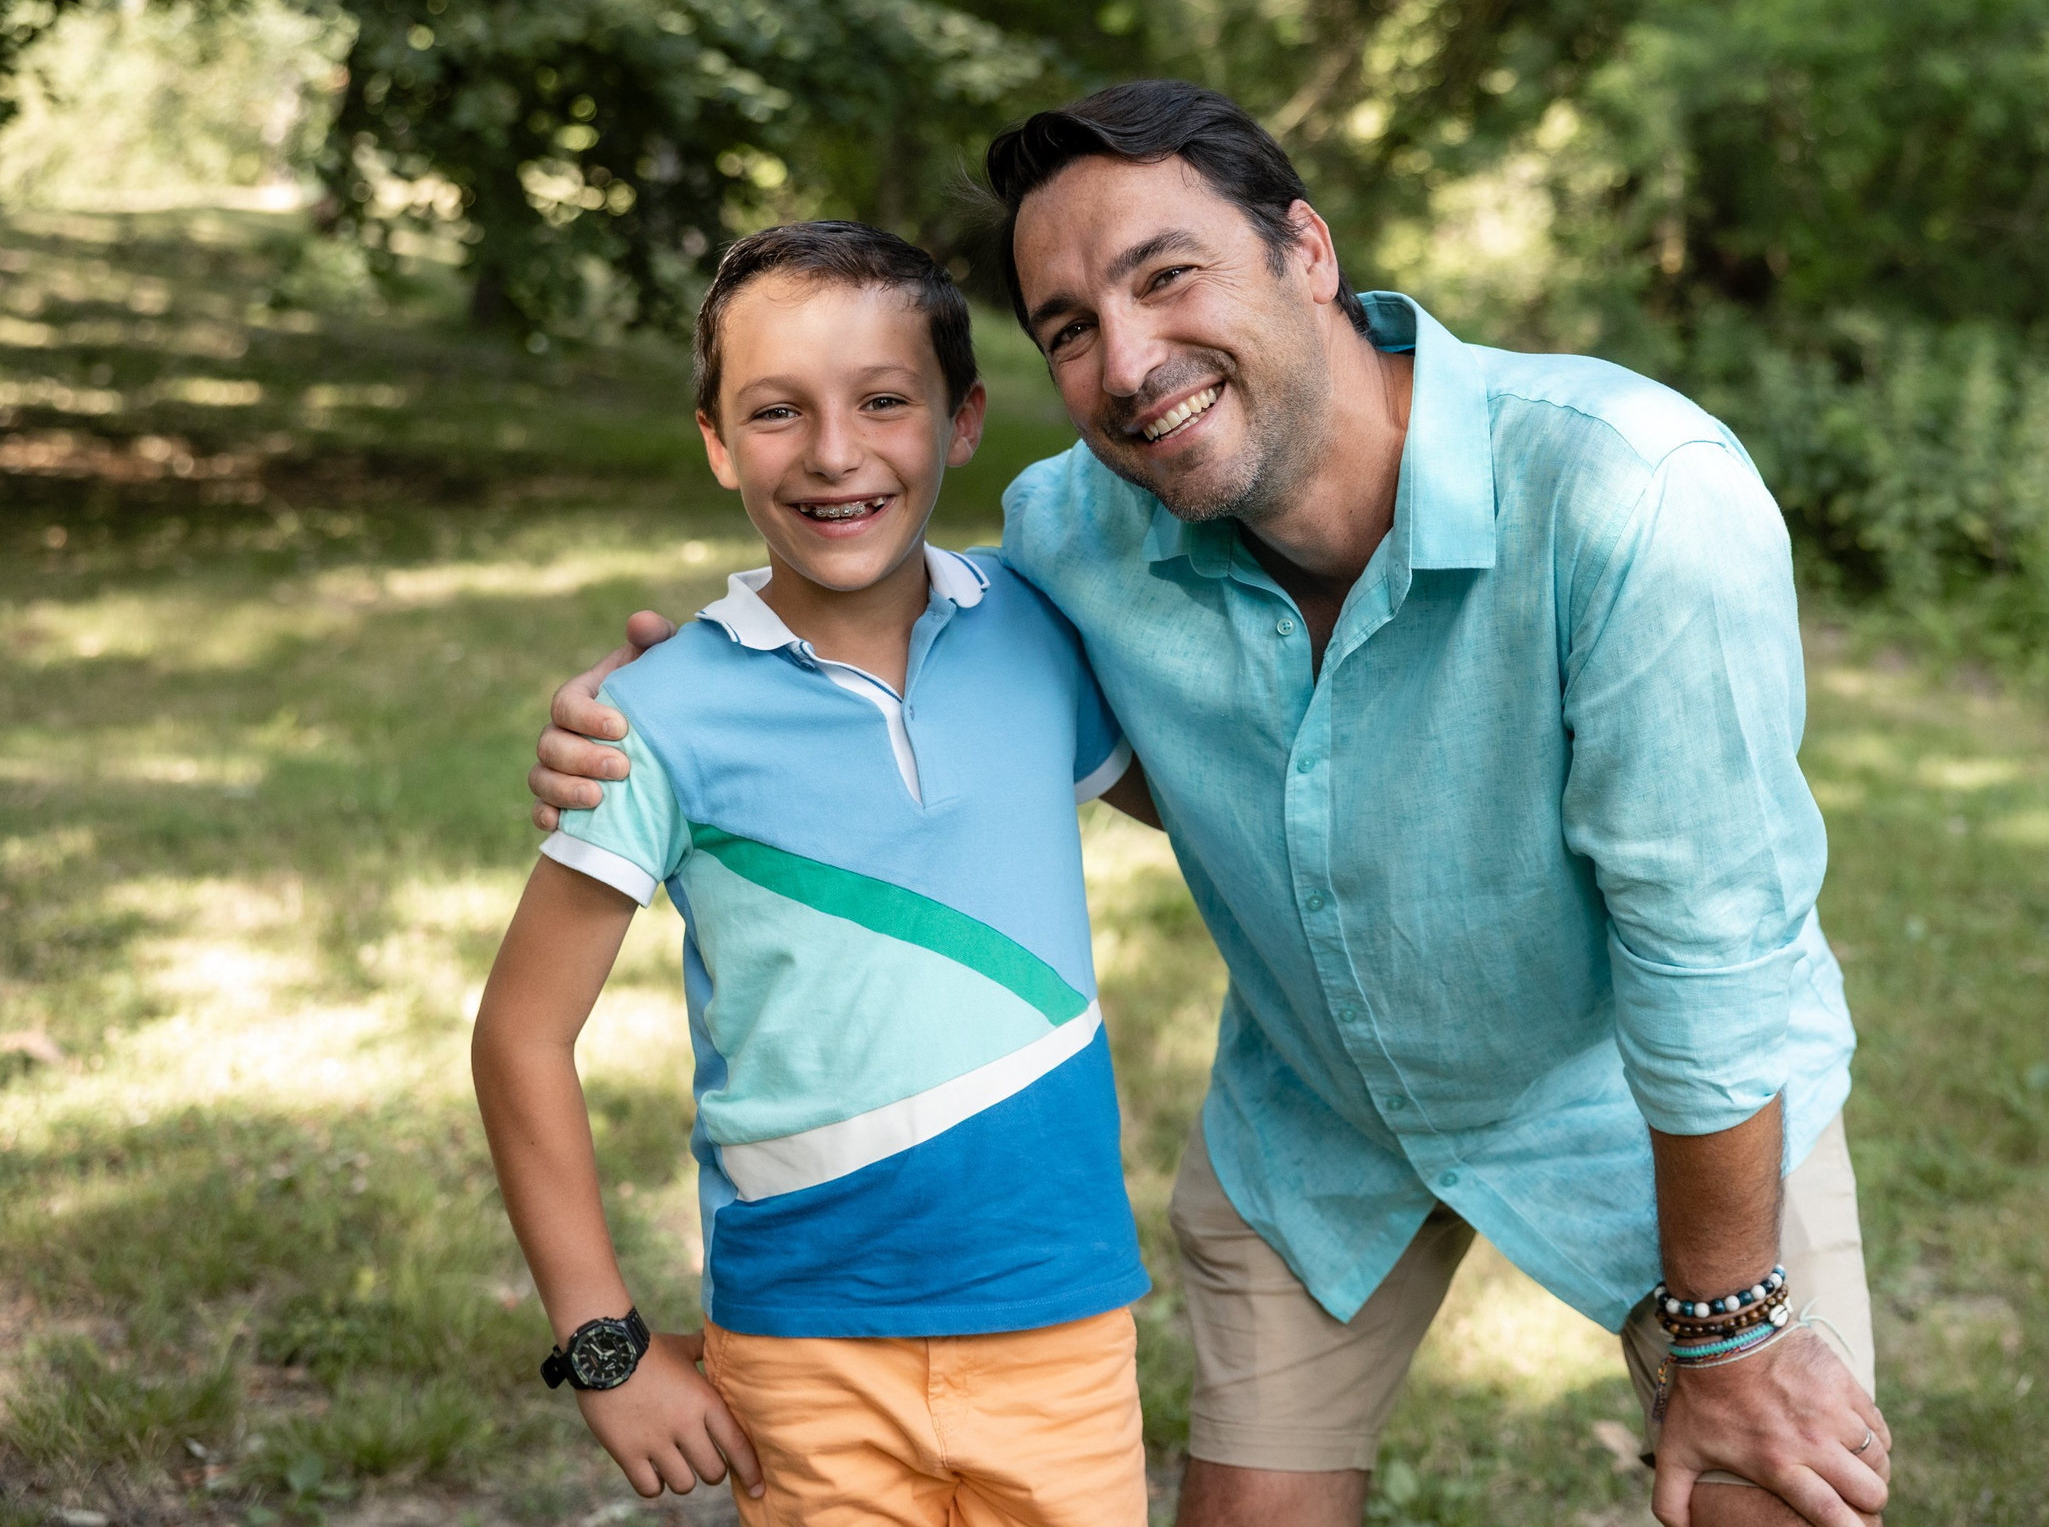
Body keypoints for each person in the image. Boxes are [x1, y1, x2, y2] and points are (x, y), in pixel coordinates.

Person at [532, 82, 1893, 1527]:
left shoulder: (1637, 496)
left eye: (1166, 275)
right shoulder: (1073, 531)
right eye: (1068, 326)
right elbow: (893, 633)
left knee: (1772, 1490)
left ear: (1306, 250)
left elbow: (1710, 959)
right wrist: (669, 707)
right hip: (1319, 1109)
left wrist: (1733, 1331)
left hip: (1644, 1096)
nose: (1126, 362)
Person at [473, 220, 1154, 1527]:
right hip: (804, 1350)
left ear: (962, 423)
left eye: (884, 401)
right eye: (777, 412)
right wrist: (606, 1345)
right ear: (718, 441)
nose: (835, 453)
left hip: (1060, 1323)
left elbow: (1207, 798)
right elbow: (520, 1034)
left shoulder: (1041, 630)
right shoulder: (656, 715)